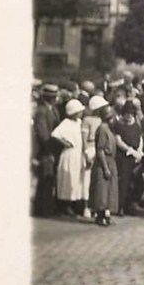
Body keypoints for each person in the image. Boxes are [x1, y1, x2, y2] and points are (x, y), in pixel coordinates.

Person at [51, 99, 87, 216]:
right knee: (68, 178)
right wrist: (65, 143)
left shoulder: (80, 122)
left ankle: (75, 203)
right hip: (70, 154)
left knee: (77, 180)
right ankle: (65, 205)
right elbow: (55, 134)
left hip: (78, 154)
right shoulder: (66, 123)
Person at [32, 84, 61, 217]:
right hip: (45, 150)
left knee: (50, 179)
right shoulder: (42, 111)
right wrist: (51, 148)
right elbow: (43, 134)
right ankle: (42, 209)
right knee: (45, 178)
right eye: (53, 97)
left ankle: (48, 206)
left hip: (53, 148)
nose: (55, 99)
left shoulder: (53, 110)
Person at [89, 102, 119, 226]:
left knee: (109, 190)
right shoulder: (102, 129)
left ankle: (106, 214)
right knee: (101, 190)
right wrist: (105, 168)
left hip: (111, 160)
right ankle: (100, 215)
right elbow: (100, 149)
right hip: (104, 161)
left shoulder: (108, 129)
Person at [114, 101, 144, 216]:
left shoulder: (136, 125)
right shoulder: (119, 125)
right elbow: (118, 141)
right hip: (124, 157)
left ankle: (130, 205)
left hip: (135, 157)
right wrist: (130, 150)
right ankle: (120, 206)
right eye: (127, 114)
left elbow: (140, 138)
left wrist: (139, 151)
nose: (129, 116)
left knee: (135, 182)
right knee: (124, 182)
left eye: (131, 114)